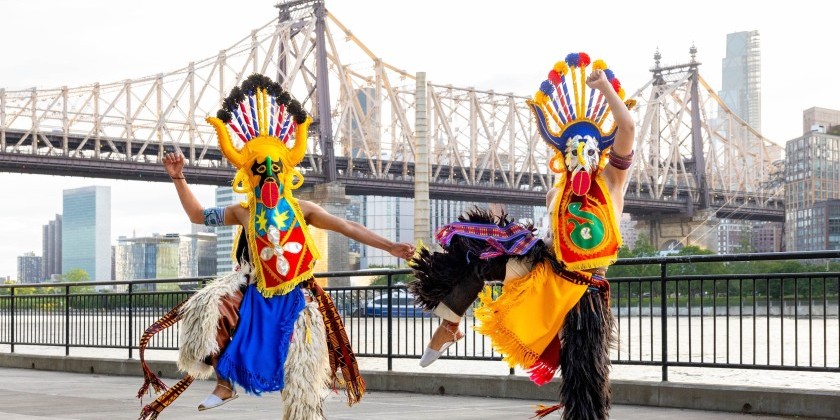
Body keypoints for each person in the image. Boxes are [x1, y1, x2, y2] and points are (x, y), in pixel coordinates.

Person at [136, 74, 414, 420]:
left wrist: (390, 246)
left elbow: (348, 226)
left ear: (284, 172)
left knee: (300, 372)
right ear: (250, 175)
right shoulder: (244, 212)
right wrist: (178, 177)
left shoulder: (303, 209)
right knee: (212, 307)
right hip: (255, 292)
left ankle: (304, 411)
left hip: (297, 297)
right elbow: (197, 216)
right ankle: (224, 384)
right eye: (259, 169)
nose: (267, 174)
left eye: (274, 169)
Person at [409, 53, 635, 420]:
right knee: (480, 255)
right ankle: (449, 324)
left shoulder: (612, 182)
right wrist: (514, 243)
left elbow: (628, 127)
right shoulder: (555, 193)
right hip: (549, 276)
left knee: (583, 379)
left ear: (600, 152)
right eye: (573, 148)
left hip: (586, 292)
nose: (581, 153)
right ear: (562, 155)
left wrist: (605, 88)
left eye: (589, 148)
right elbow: (553, 239)